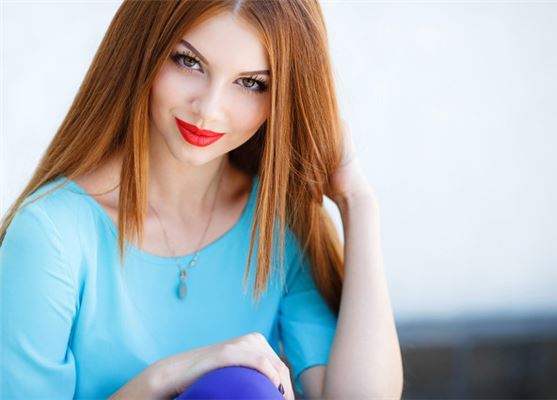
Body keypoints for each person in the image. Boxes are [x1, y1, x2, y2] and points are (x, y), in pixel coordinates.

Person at [0, 1, 403, 399]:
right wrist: (167, 377)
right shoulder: (51, 233)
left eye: (251, 83)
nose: (208, 109)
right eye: (188, 62)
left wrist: (357, 202)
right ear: (141, 51)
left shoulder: (275, 222)